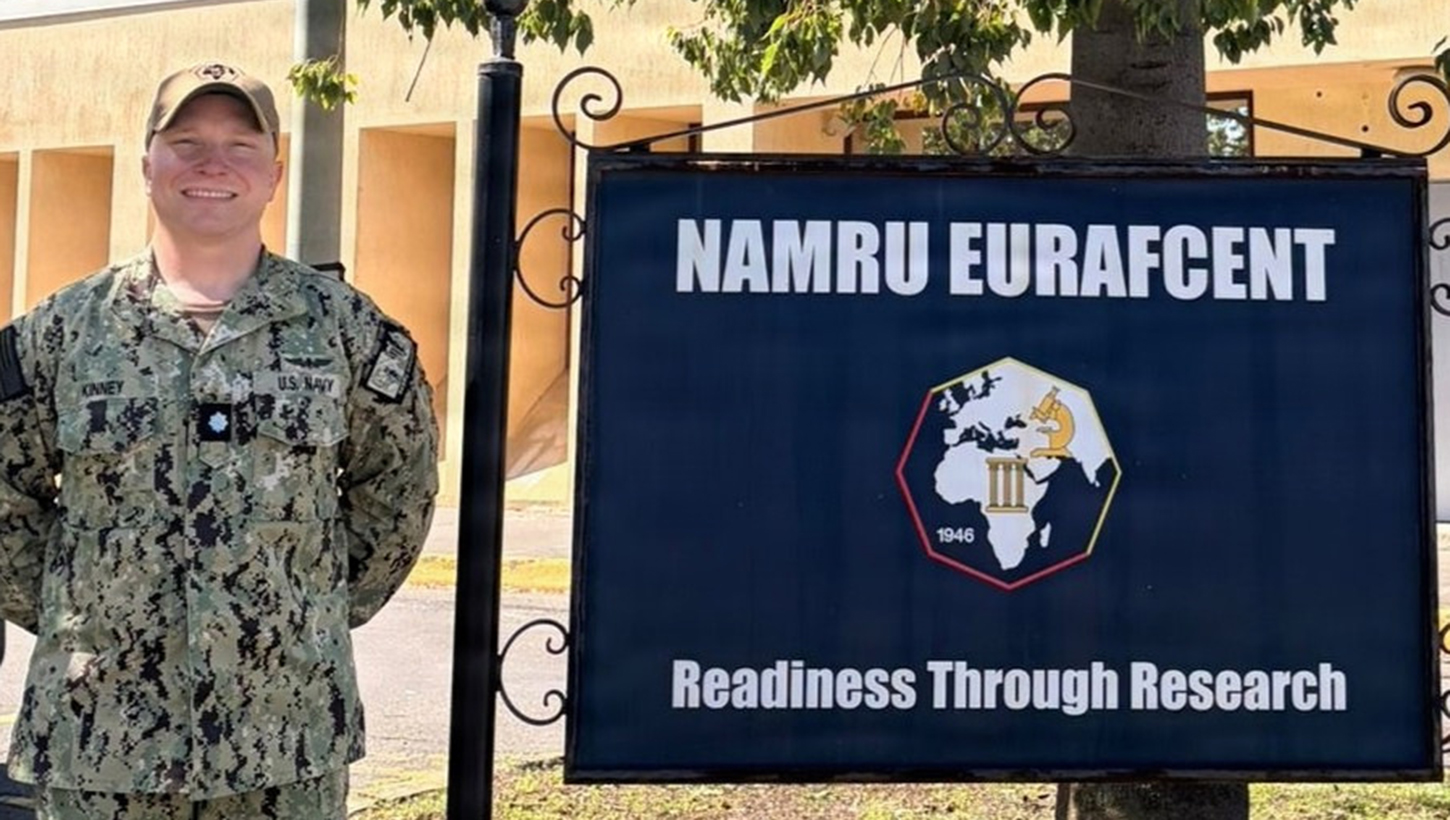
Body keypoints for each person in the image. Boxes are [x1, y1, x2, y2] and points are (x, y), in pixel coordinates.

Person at [0, 61, 439, 819]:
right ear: (147, 164)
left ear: (275, 170)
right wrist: (90, 612)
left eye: (240, 144)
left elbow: (399, 491)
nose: (212, 163)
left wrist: (300, 612)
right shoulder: (61, 334)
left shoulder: (346, 333)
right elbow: (4, 498)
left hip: (287, 737)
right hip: (102, 739)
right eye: (186, 141)